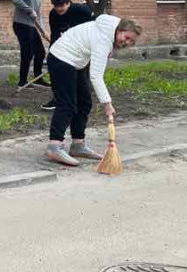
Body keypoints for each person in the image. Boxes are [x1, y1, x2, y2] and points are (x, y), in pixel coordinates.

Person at [43, 16, 141, 166]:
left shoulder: (112, 28)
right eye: (126, 37)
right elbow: (96, 76)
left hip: (76, 61)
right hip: (61, 58)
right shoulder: (104, 40)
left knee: (84, 102)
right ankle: (54, 146)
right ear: (119, 30)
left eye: (131, 42)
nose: (126, 42)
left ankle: (78, 145)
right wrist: (107, 104)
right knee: (67, 103)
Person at [40, 0, 95, 112]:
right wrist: (53, 52)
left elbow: (95, 24)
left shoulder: (81, 10)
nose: (59, 9)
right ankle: (58, 98)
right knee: (56, 72)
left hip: (83, 45)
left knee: (81, 72)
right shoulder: (53, 14)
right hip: (66, 45)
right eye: (56, 6)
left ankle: (83, 99)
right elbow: (54, 32)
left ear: (68, 3)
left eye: (61, 6)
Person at [12, 0, 52, 90]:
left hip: (31, 27)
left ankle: (38, 78)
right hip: (21, 25)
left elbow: (38, 17)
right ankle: (22, 81)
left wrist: (43, 31)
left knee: (40, 52)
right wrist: (29, 10)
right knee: (27, 53)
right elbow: (17, 0)